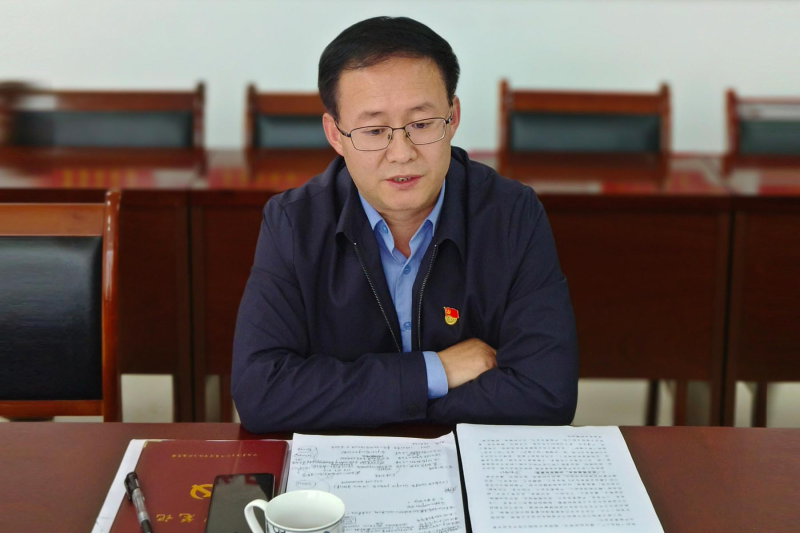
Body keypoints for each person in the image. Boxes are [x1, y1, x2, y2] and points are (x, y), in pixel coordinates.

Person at [232, 16, 577, 433]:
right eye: (374, 130)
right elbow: (260, 393)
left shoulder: (512, 214)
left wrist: (376, 398)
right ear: (335, 134)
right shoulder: (293, 223)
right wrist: (435, 373)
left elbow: (547, 394)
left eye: (421, 124)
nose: (401, 153)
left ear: (453, 117)